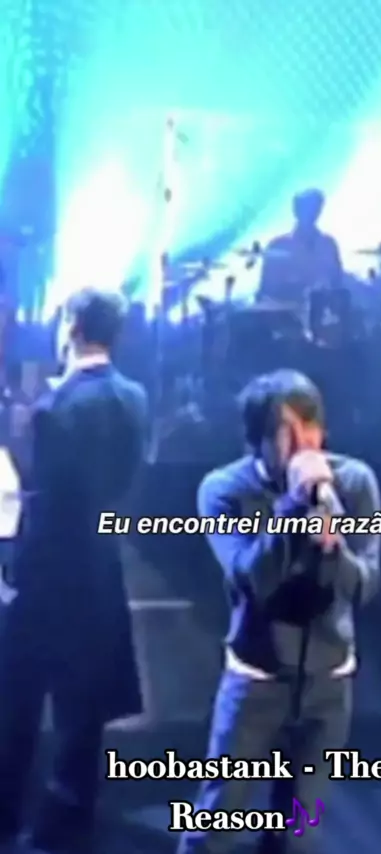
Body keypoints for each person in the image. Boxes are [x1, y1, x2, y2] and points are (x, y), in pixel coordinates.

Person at [179, 369, 381, 854]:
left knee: (299, 833)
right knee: (216, 826)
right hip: (257, 680)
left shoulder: (354, 482)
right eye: (287, 432)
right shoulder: (224, 490)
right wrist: (290, 506)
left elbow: (365, 586)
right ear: (259, 440)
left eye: (311, 426)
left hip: (328, 686)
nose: (304, 444)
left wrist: (334, 549)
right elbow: (252, 579)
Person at [0, 287, 148, 854]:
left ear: (71, 327)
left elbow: (44, 504)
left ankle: (11, 820)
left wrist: (15, 574)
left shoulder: (55, 407)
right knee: (83, 714)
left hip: (49, 579)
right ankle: (70, 827)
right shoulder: (134, 397)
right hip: (101, 572)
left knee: (18, 704)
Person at [258, 189, 343, 321]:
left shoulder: (328, 244)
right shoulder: (278, 246)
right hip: (287, 317)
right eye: (306, 208)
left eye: (315, 207)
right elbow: (267, 291)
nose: (311, 213)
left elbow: (338, 282)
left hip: (324, 317)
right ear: (296, 211)